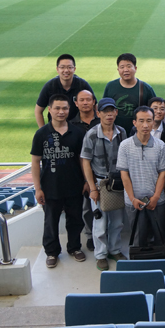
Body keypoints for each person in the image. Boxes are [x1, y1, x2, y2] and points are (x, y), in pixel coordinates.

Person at [30, 94, 87, 268]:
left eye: (64, 108)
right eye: (57, 108)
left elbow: (82, 159)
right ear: (50, 110)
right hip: (50, 186)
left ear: (69, 110)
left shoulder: (77, 132)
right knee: (50, 221)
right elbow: (35, 161)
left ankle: (74, 247)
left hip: (74, 185)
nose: (61, 112)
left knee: (75, 219)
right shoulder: (41, 134)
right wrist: (38, 188)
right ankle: (52, 252)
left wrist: (86, 181)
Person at [80, 98, 128, 271]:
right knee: (100, 221)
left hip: (118, 182)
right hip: (100, 182)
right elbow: (86, 162)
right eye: (105, 111)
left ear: (116, 112)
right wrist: (92, 188)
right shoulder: (92, 134)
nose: (109, 114)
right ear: (98, 113)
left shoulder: (122, 132)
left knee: (117, 221)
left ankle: (114, 250)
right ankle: (100, 255)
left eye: (111, 111)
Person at [117, 106, 165, 254]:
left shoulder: (160, 145)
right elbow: (124, 175)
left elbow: (163, 173)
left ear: (153, 122)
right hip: (134, 201)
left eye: (149, 121)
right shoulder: (125, 145)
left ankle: (159, 262)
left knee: (160, 235)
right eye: (141, 121)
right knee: (138, 237)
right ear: (134, 123)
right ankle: (140, 264)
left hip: (157, 200)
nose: (145, 125)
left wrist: (156, 196)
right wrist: (132, 198)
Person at [71, 88, 100, 252]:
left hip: (103, 172)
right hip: (82, 173)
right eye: (81, 100)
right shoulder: (72, 125)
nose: (85, 103)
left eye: (88, 99)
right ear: (76, 103)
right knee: (87, 207)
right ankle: (90, 235)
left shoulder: (102, 120)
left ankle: (104, 235)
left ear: (94, 102)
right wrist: (86, 180)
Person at [35, 54, 94, 127]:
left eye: (69, 67)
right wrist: (43, 131)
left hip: (79, 128)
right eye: (62, 67)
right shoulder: (50, 86)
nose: (66, 70)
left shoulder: (82, 85)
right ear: (57, 69)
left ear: (74, 69)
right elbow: (38, 111)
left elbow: (94, 106)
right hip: (56, 128)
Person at [103, 53, 157, 133]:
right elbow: (104, 109)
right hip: (115, 133)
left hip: (138, 133)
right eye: (122, 67)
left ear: (135, 68)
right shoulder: (110, 86)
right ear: (118, 69)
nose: (125, 70)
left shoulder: (146, 88)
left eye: (129, 66)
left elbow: (154, 111)